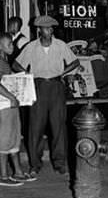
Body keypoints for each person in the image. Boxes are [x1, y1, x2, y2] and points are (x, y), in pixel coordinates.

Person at [13, 15, 80, 176]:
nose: (49, 30)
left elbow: (75, 62)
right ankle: (35, 164)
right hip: (38, 87)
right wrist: (28, 75)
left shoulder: (60, 45)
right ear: (39, 30)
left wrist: (62, 73)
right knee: (35, 126)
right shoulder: (31, 47)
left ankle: (60, 162)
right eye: (46, 28)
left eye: (51, 28)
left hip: (57, 86)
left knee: (58, 126)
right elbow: (15, 64)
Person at [0, 33, 36, 186]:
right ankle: (3, 176)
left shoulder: (5, 61)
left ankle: (18, 172)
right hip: (4, 106)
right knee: (5, 139)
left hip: (10, 106)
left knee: (14, 137)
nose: (12, 46)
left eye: (12, 44)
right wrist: (12, 97)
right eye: (9, 44)